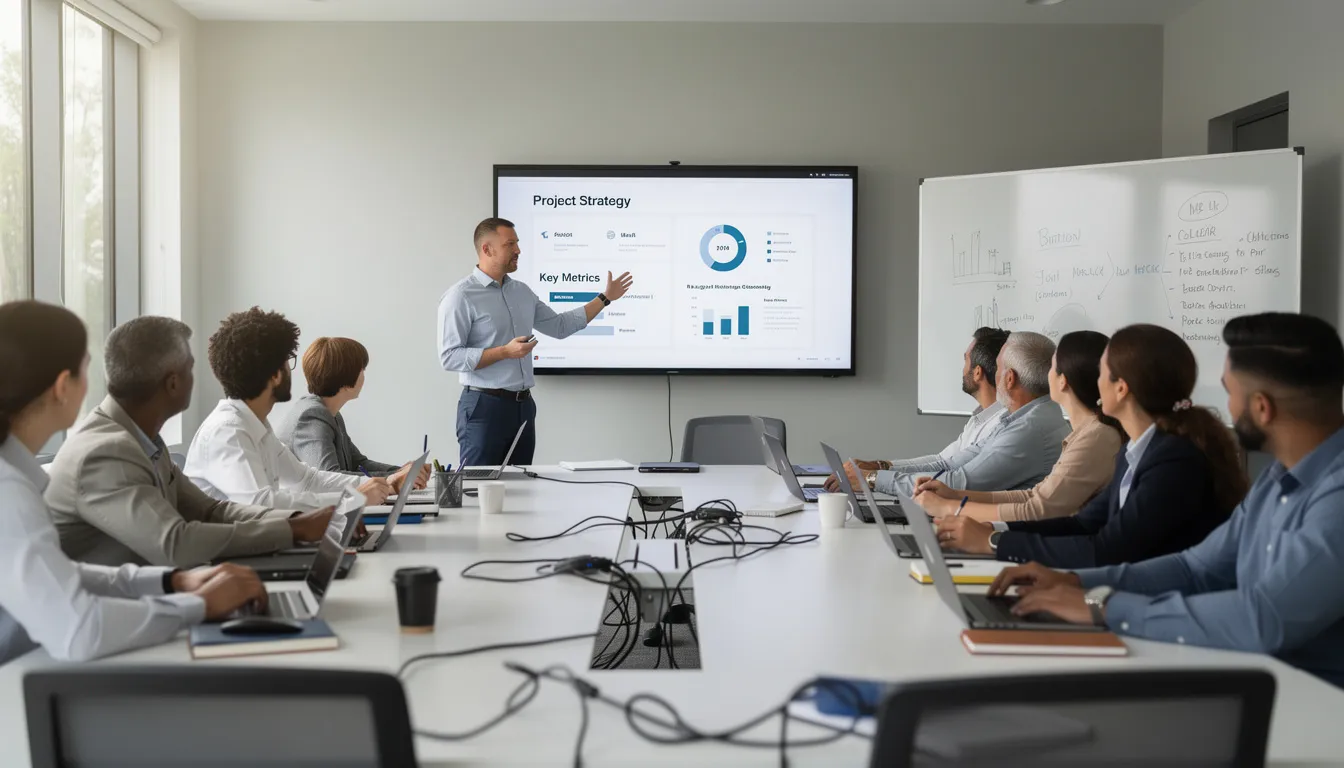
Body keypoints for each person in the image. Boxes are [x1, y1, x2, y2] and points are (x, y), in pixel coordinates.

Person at [989, 313, 1344, 688]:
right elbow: (1196, 568)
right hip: (1260, 677)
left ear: (1261, 408)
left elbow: (1263, 619)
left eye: (1229, 393)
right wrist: (1073, 582)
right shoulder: (1276, 481)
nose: (1227, 408)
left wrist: (1103, 606)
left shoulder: (1335, 495)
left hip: (1318, 707)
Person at [0, 301, 267, 665]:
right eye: (87, 370)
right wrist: (197, 605)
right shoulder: (9, 492)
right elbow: (81, 631)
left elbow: (57, 572)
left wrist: (171, 582)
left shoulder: (14, 480)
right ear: (63, 386)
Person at [935, 324, 1246, 568]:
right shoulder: (1133, 451)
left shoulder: (1174, 460)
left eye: (1104, 374)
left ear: (1121, 388)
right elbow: (1083, 524)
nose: (1096, 382)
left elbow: (1107, 548)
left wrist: (992, 540)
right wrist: (992, 532)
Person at [46, 316, 338, 569]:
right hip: (112, 619)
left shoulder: (144, 439)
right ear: (173, 383)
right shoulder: (106, 451)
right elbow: (174, 542)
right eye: (190, 368)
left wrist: (298, 519)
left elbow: (212, 511)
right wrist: (291, 529)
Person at [438, 217, 635, 467]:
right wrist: (504, 352)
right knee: (479, 489)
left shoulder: (521, 291)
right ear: (487, 249)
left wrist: (605, 298)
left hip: (522, 408)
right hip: (483, 408)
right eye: (510, 244)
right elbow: (449, 357)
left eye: (517, 243)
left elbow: (560, 326)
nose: (518, 250)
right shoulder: (460, 296)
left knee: (521, 489)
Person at [186, 307, 392, 509]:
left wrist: (379, 486)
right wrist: (355, 498)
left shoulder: (257, 426)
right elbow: (262, 504)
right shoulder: (229, 432)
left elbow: (307, 480)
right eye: (288, 362)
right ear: (276, 374)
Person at [915, 330, 1124, 522]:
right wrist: (956, 495)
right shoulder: (1086, 433)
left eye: (1051, 367)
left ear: (1063, 382)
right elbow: (1033, 495)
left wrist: (950, 508)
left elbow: (1037, 509)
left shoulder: (1096, 437)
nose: (1044, 373)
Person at [825, 327, 1010, 493]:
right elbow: (942, 460)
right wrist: (879, 466)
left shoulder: (1002, 424)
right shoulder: (980, 418)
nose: (962, 369)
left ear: (977, 372)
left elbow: (953, 474)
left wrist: (873, 478)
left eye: (965, 361)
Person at [274, 336, 431, 491]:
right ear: (346, 380)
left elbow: (358, 463)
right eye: (362, 369)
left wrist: (400, 473)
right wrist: (392, 479)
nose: (364, 375)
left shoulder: (331, 414)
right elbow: (329, 476)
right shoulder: (311, 416)